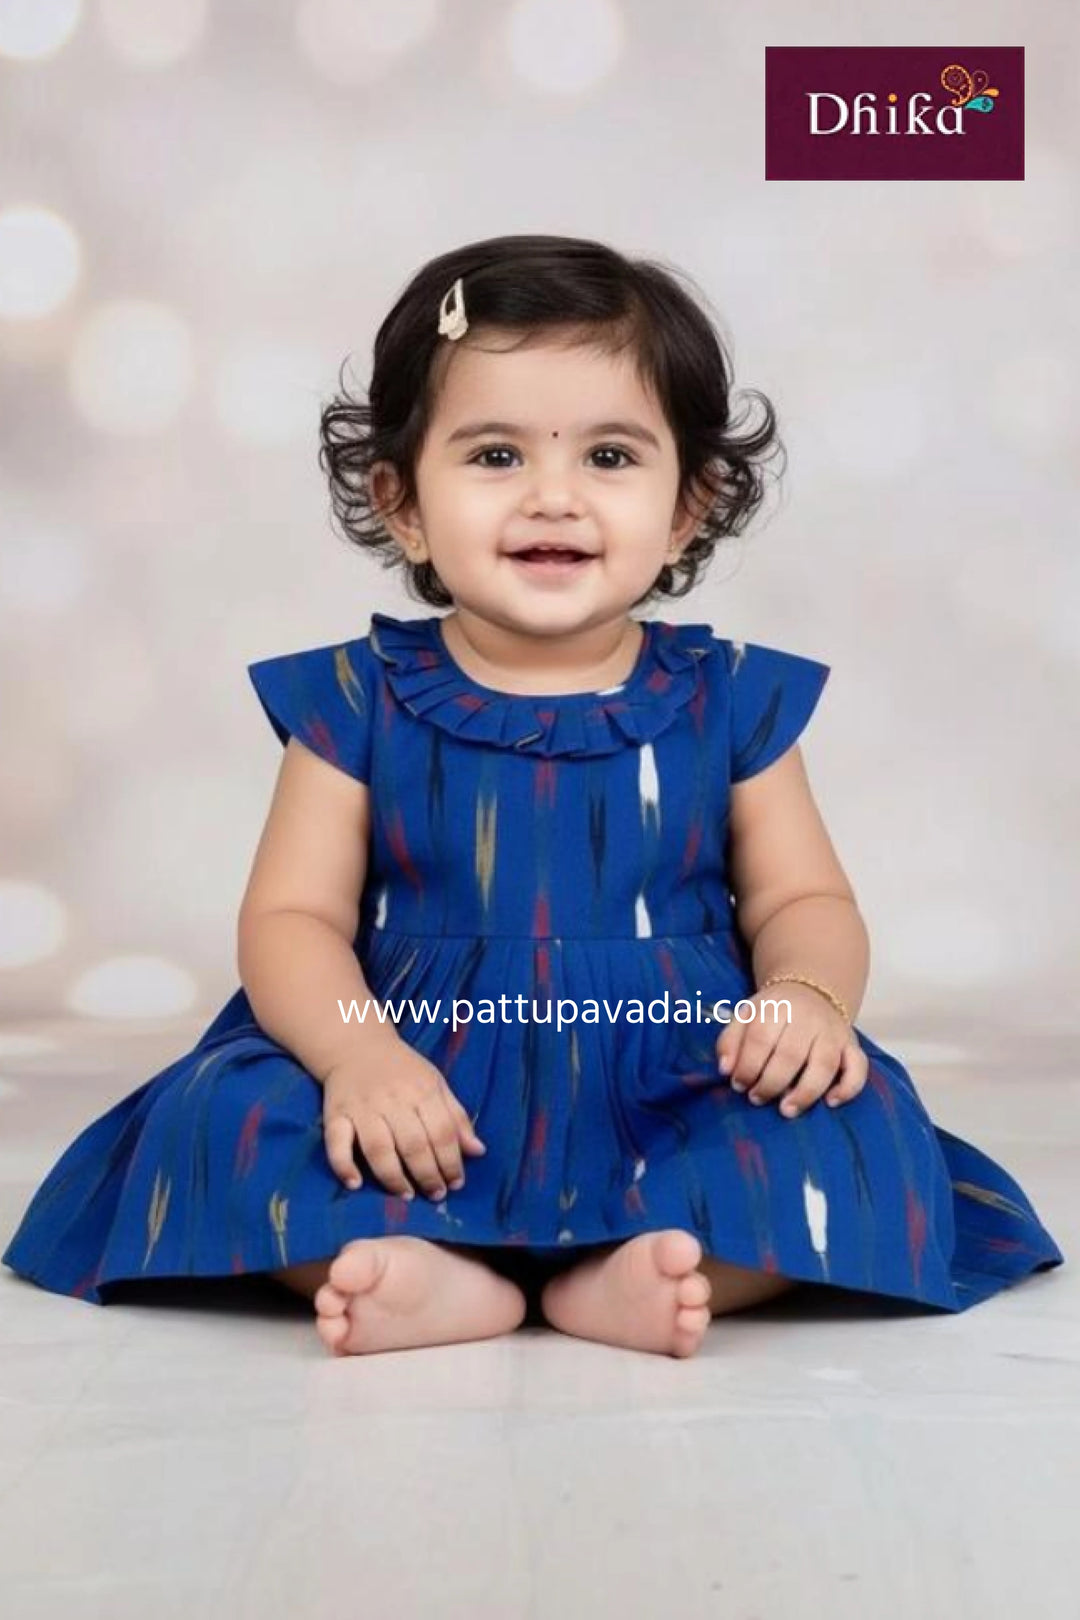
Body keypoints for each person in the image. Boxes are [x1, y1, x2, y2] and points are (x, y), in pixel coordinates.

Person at [2, 234, 1064, 1360]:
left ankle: (650, 1267)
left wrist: (804, 997)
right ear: (402, 502)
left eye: (610, 458)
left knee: (852, 1125)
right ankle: (424, 1268)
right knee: (227, 1120)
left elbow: (804, 899)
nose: (554, 496)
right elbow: (290, 920)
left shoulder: (730, 700)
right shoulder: (358, 700)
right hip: (410, 1072)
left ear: (691, 505)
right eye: (496, 456)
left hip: (671, 1065)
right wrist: (359, 1059)